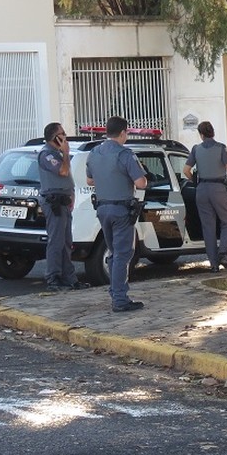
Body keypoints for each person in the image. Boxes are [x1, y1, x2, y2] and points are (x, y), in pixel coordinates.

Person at [86, 116, 148, 312]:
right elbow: (141, 183)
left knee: (114, 252)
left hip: (102, 209)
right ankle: (120, 299)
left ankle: (115, 291)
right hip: (121, 210)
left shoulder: (94, 152)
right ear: (123, 132)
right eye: (127, 133)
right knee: (123, 254)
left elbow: (89, 181)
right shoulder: (125, 154)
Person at [183, 121, 227, 272]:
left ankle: (214, 264)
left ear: (201, 135)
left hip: (201, 190)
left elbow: (186, 170)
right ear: (212, 132)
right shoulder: (221, 148)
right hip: (218, 189)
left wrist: (195, 181)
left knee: (208, 227)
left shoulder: (196, 149)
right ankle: (223, 253)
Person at [37, 122, 86, 292]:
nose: (65, 137)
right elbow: (63, 172)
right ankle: (54, 277)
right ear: (53, 137)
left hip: (63, 201)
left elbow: (66, 178)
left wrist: (71, 194)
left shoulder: (57, 154)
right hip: (54, 202)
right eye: (62, 133)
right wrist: (66, 153)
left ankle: (69, 278)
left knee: (66, 242)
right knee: (56, 242)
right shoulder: (47, 155)